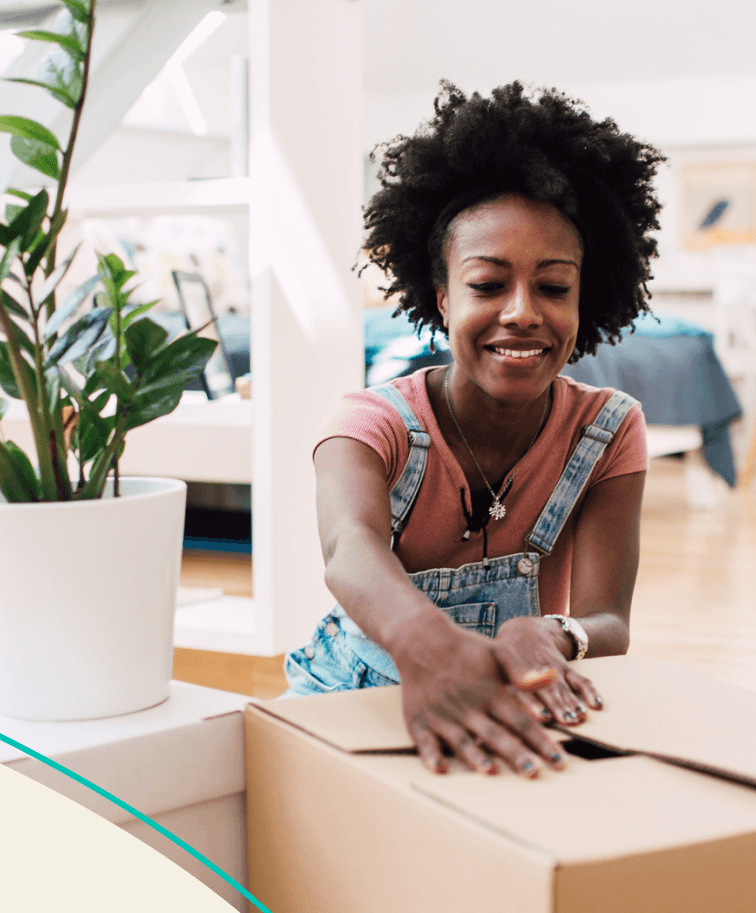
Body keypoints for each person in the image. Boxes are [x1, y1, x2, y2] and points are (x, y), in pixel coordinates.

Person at [284, 82, 666, 780]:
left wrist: (555, 633)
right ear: (442, 298)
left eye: (553, 288)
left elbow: (609, 620)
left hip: (508, 707)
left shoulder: (608, 429)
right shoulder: (371, 425)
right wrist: (431, 647)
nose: (521, 312)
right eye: (488, 285)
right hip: (347, 706)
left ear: (586, 300)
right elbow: (348, 548)